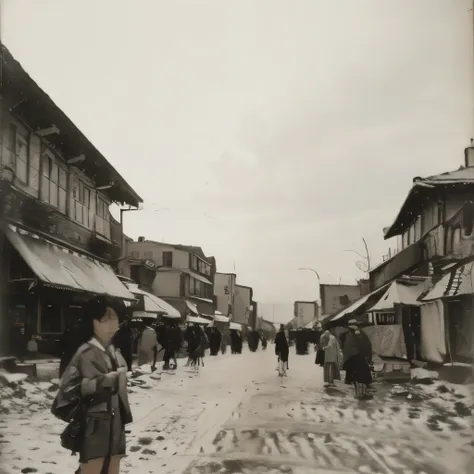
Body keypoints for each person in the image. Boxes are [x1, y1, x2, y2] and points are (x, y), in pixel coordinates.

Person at [52, 296, 132, 474]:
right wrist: (104, 381)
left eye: (115, 319)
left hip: (115, 424)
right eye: (105, 319)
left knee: (112, 467)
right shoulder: (86, 352)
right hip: (94, 425)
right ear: (93, 322)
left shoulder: (113, 351)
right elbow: (67, 389)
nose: (111, 324)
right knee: (93, 468)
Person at [342, 319, 373, 400]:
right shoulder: (357, 332)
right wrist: (367, 355)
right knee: (361, 376)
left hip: (350, 358)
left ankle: (360, 393)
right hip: (357, 356)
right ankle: (361, 394)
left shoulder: (347, 333)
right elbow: (364, 345)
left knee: (356, 377)